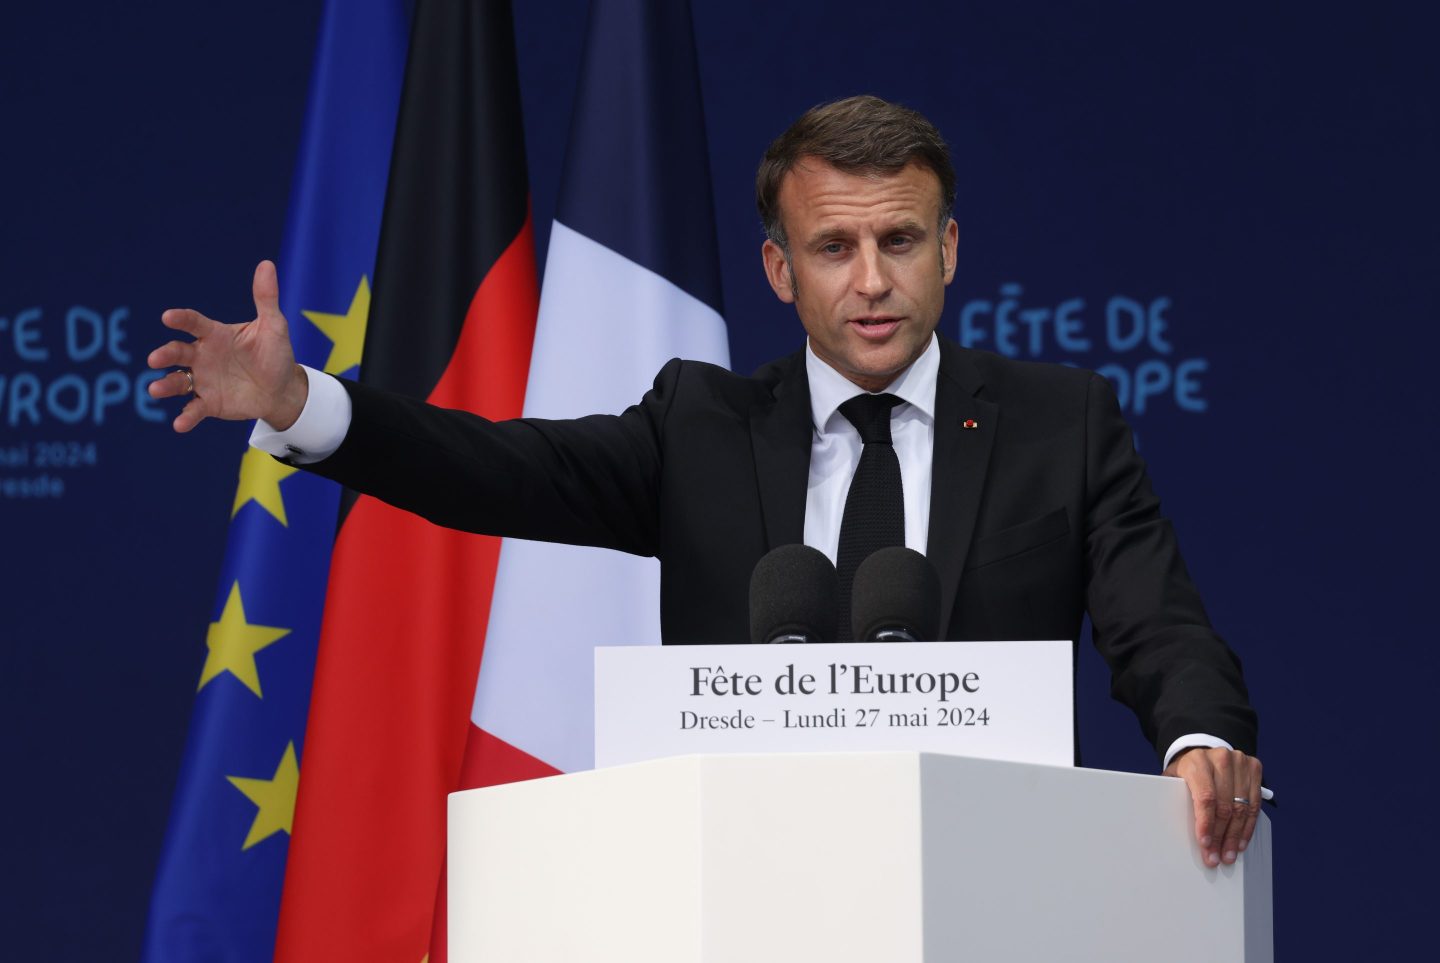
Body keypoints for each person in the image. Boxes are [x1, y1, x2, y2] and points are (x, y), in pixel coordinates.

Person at [148, 95, 1263, 869]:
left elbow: (1156, 620)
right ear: (779, 268)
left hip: (996, 890)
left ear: (951, 251)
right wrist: (305, 407)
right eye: (834, 248)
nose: (873, 283)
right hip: (740, 889)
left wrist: (1199, 735)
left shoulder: (1057, 426)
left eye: (901, 241)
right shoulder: (703, 427)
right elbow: (496, 471)